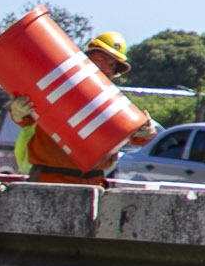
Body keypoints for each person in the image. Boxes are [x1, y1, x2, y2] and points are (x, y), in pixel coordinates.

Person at [16, 31, 140, 179]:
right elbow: (26, 118)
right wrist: (18, 112)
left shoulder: (112, 103)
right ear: (85, 59)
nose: (105, 68)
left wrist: (145, 133)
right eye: (101, 60)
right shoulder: (57, 86)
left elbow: (136, 133)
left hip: (91, 180)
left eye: (111, 65)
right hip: (49, 176)